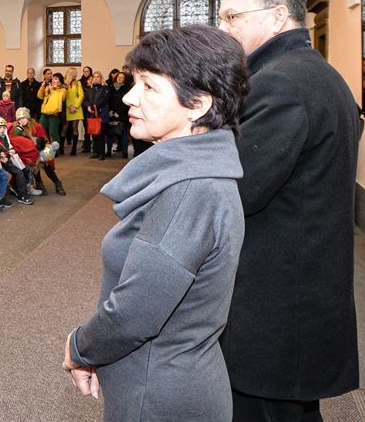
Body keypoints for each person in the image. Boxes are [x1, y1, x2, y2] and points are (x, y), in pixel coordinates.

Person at [62, 25, 249, 421]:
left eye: (148, 86)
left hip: (158, 396)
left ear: (197, 104)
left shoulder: (189, 192)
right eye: (135, 83)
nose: (129, 97)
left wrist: (79, 347)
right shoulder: (200, 175)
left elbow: (134, 313)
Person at [215, 0, 360, 420]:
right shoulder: (312, 72)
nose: (223, 28)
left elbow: (236, 190)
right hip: (301, 286)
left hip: (275, 300)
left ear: (278, 17)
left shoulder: (280, 83)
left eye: (232, 17)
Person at [13, 107, 65, 195]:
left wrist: (44, 153)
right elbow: (16, 140)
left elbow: (45, 141)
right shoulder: (17, 128)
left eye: (23, 118)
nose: (22, 121)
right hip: (29, 153)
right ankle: (39, 183)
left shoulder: (37, 126)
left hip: (42, 149)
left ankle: (57, 183)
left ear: (28, 117)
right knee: (33, 165)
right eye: (19, 119)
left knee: (47, 166)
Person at [84, 71, 110, 160]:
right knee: (94, 133)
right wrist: (88, 106)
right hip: (91, 114)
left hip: (101, 114)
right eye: (94, 77)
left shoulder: (105, 88)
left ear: (101, 78)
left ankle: (102, 153)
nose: (96, 78)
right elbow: (86, 100)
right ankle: (95, 152)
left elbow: (103, 100)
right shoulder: (90, 89)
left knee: (101, 135)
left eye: (98, 77)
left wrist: (94, 106)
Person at [105, 70, 132, 158]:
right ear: (116, 78)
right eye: (119, 77)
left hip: (122, 115)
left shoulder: (127, 88)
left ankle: (125, 152)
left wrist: (118, 113)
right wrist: (110, 111)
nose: (120, 79)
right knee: (110, 134)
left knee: (124, 135)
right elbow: (107, 101)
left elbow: (126, 103)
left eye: (122, 78)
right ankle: (108, 151)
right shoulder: (110, 87)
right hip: (111, 115)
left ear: (124, 79)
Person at [37, 72, 67, 141]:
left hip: (54, 114)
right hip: (45, 112)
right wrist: (42, 87)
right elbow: (40, 96)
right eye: (53, 79)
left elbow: (60, 99)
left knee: (53, 133)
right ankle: (42, 146)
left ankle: (56, 147)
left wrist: (52, 91)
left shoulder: (63, 90)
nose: (53, 80)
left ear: (60, 81)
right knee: (41, 131)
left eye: (56, 79)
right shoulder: (48, 87)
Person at [64, 67, 85, 155]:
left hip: (76, 108)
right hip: (67, 108)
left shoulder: (78, 83)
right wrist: (69, 107)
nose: (76, 75)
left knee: (74, 128)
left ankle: (74, 149)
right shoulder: (64, 83)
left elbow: (81, 95)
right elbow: (63, 96)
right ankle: (61, 149)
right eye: (74, 73)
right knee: (64, 128)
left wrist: (75, 106)